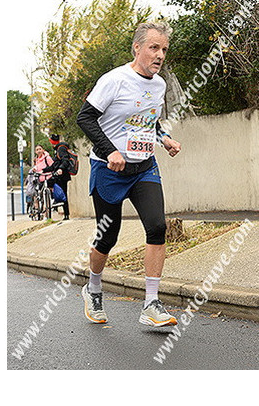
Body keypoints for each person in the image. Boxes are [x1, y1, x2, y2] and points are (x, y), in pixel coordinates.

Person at [77, 22, 182, 327]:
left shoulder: (159, 85)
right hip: (109, 169)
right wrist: (110, 150)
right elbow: (85, 117)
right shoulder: (114, 80)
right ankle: (93, 288)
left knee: (157, 226)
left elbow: (149, 122)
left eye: (164, 49)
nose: (160, 55)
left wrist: (164, 139)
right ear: (137, 48)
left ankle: (151, 303)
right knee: (107, 236)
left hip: (144, 167)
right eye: (154, 47)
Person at [42, 134, 71, 220]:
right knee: (62, 192)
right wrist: (43, 170)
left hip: (62, 176)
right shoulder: (58, 150)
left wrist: (61, 169)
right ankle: (56, 201)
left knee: (63, 194)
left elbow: (65, 160)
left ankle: (66, 214)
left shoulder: (61, 149)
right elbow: (54, 165)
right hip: (58, 175)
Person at [33, 145, 54, 215]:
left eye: (40, 149)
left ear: (43, 150)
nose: (39, 151)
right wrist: (35, 169)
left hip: (48, 177)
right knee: (39, 194)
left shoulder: (47, 158)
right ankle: (38, 209)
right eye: (37, 150)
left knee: (48, 195)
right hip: (41, 179)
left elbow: (52, 166)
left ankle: (46, 213)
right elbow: (37, 167)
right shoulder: (37, 159)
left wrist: (45, 171)